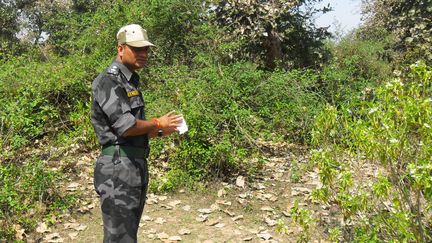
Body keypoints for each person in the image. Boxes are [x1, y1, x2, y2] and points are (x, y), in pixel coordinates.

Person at [90, 23, 182, 243]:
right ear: (120, 48)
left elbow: (131, 131)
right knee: (120, 238)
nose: (143, 54)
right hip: (118, 168)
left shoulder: (129, 80)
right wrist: (157, 123)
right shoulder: (109, 81)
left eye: (146, 49)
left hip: (132, 165)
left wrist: (159, 131)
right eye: (137, 48)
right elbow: (126, 126)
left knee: (127, 235)